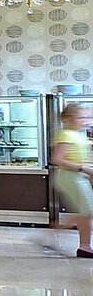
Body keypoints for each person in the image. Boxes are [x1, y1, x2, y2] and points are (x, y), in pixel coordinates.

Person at [52, 101, 93, 259]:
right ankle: (84, 246)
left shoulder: (78, 134)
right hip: (70, 176)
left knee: (87, 211)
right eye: (81, 117)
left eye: (88, 117)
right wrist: (83, 168)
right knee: (87, 211)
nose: (86, 121)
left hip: (78, 176)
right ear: (68, 119)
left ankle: (83, 245)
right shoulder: (66, 134)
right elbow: (57, 159)